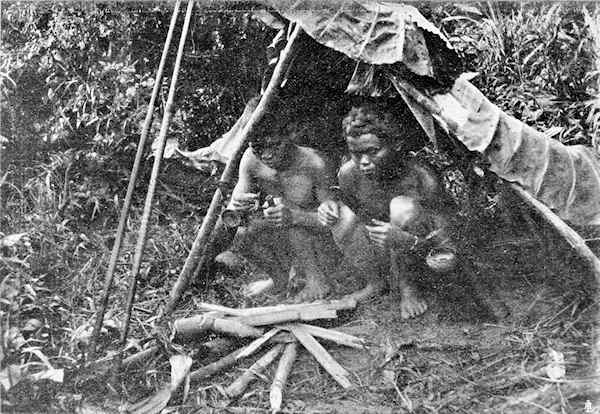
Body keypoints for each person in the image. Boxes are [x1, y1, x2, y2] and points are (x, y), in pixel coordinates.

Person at [318, 101, 457, 319]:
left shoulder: (422, 178)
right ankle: (376, 282)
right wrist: (329, 208)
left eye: (373, 152)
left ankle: (410, 288)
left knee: (402, 208)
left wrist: (407, 241)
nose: (364, 162)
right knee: (341, 216)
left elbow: (449, 247)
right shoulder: (349, 175)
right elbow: (362, 216)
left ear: (396, 145)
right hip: (387, 249)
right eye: (355, 153)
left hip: (424, 256)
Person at [223, 105, 339, 302]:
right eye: (258, 148)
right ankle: (279, 279)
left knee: (292, 224)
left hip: (320, 242)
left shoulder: (315, 163)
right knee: (242, 235)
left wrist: (296, 216)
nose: (267, 155)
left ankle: (316, 279)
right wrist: (237, 207)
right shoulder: (250, 160)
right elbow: (234, 210)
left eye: (274, 145)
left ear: (290, 134)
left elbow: (335, 221)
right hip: (286, 237)